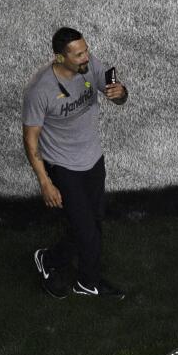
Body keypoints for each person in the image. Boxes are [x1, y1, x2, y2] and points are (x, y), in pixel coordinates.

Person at [25, 27, 129, 299]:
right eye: (79, 54)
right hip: (63, 166)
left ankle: (50, 260)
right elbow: (31, 139)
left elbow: (116, 95)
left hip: (93, 159)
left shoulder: (90, 66)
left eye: (86, 50)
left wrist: (120, 93)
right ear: (60, 58)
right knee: (87, 230)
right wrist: (45, 182)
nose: (87, 57)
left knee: (91, 224)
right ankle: (87, 281)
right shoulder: (40, 90)